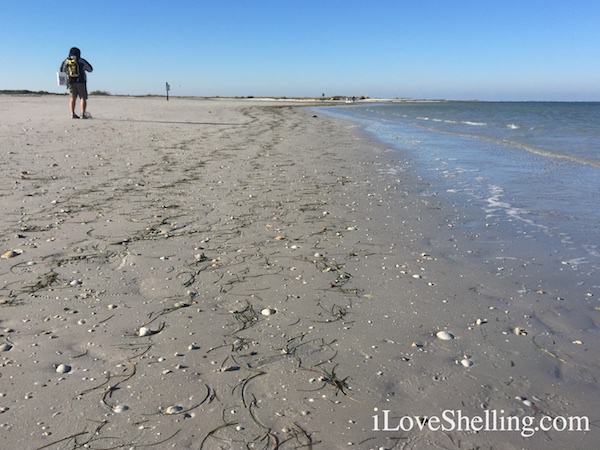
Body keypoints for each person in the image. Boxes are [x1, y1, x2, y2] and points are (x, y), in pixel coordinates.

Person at [59, 47, 93, 119]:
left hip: (71, 82)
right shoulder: (81, 61)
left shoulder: (66, 61)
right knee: (82, 97)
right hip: (81, 81)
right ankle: (82, 114)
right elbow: (90, 69)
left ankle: (72, 114)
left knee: (72, 98)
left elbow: (62, 70)